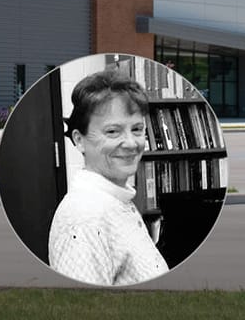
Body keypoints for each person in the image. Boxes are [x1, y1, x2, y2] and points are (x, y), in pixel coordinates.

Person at [48, 69, 168, 286]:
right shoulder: (85, 219)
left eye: (137, 129)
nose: (131, 143)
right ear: (79, 140)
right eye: (113, 131)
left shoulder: (117, 202)